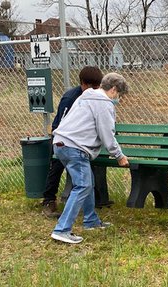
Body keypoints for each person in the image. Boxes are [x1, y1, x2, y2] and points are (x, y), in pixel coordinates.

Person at [50, 73, 130, 244]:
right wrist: (119, 156)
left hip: (61, 143)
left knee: (87, 182)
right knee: (83, 185)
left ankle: (91, 220)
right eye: (119, 95)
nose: (119, 100)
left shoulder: (86, 96)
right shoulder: (103, 104)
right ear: (114, 89)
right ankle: (62, 229)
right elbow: (107, 135)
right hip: (75, 147)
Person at [41, 66, 104, 218]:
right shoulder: (71, 97)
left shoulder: (98, 97)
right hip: (63, 139)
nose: (93, 90)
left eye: (97, 86)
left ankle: (95, 203)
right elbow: (62, 124)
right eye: (90, 86)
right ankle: (49, 200)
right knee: (56, 166)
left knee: (89, 171)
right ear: (82, 83)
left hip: (83, 143)